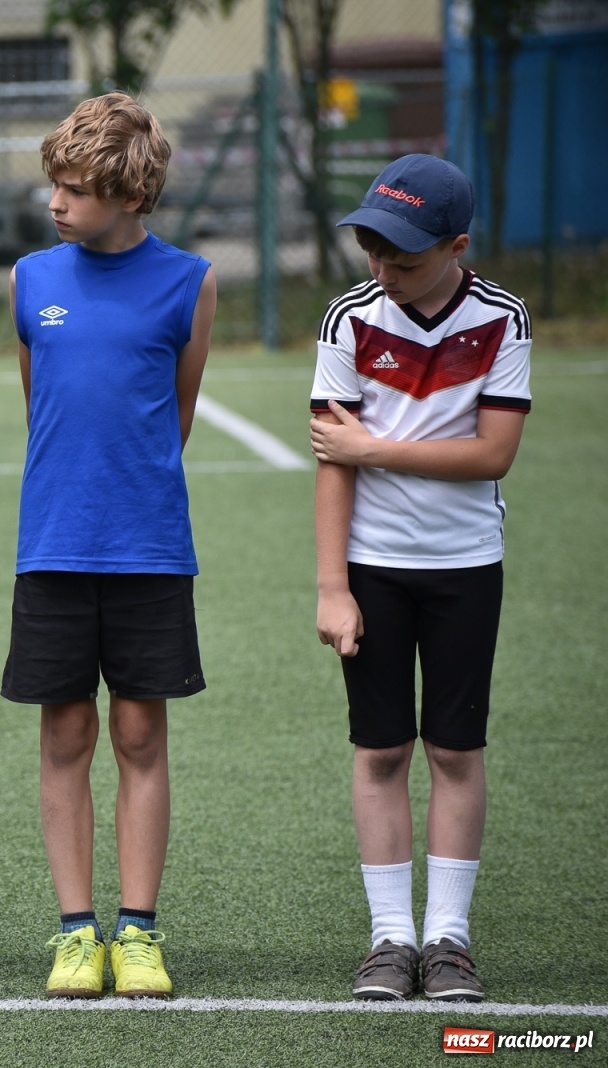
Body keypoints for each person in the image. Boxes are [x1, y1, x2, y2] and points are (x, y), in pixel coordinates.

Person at [1, 92, 216, 1000]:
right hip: (53, 543)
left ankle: (138, 932)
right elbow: (38, 399)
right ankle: (75, 933)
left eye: (78, 189)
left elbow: (177, 412)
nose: (57, 202)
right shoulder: (28, 279)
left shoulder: (192, 281)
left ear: (131, 195)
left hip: (149, 548)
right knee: (66, 732)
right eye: (53, 183)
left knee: (137, 730)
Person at [311, 154, 530, 1003]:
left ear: (457, 246)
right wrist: (333, 585)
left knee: (454, 748)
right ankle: (391, 940)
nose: (383, 272)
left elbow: (493, 455)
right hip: (372, 569)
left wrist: (377, 450)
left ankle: (448, 940)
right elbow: (333, 466)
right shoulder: (347, 320)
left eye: (402, 259)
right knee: (381, 749)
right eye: (373, 253)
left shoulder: (502, 317)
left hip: (467, 568)